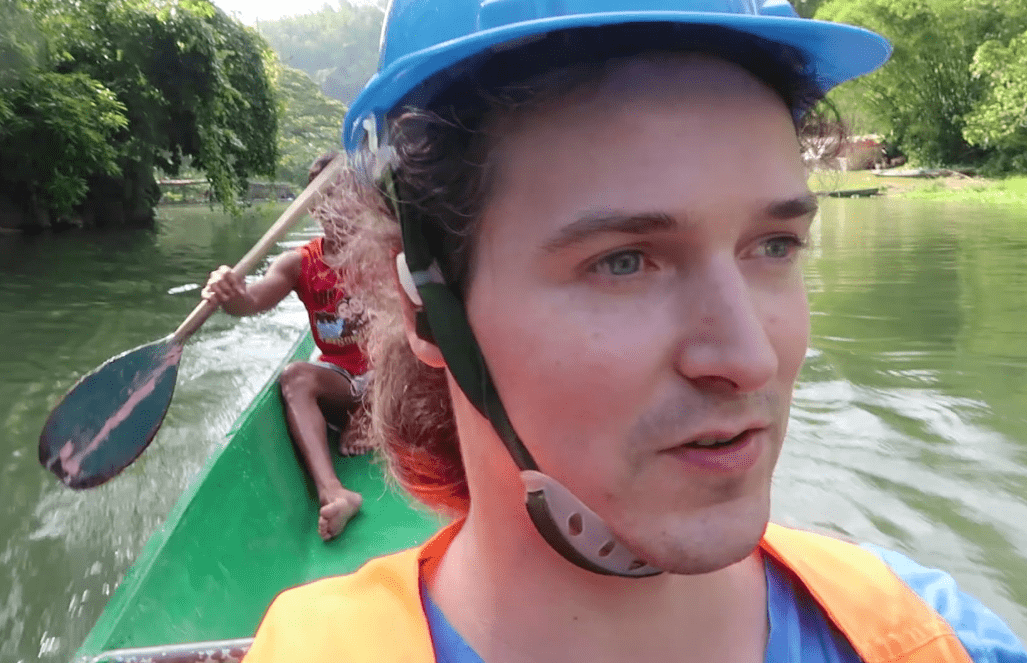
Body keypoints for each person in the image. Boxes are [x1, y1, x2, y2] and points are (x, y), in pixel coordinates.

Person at [244, 1, 1027, 661]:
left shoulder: (929, 638)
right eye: (623, 262)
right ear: (424, 307)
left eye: (773, 246)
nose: (749, 357)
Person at [203, 153, 370, 542]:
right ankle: (334, 492)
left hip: (391, 377)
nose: (337, 207)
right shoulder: (299, 264)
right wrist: (229, 293)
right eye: (325, 198)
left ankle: (372, 415)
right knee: (295, 376)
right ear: (312, 208)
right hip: (343, 379)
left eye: (346, 195)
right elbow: (251, 301)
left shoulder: (384, 251)